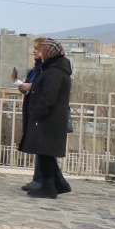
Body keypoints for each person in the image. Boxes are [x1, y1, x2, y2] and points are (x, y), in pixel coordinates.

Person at [21, 39, 73, 199]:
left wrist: (38, 112)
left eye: (42, 51)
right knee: (45, 154)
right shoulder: (52, 69)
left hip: (49, 119)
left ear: (49, 53)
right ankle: (58, 184)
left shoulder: (55, 72)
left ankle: (49, 187)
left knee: (45, 153)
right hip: (49, 119)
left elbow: (48, 96)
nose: (39, 54)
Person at [17, 37, 46, 190]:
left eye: (38, 48)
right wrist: (23, 86)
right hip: (32, 109)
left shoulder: (46, 69)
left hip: (42, 113)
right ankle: (38, 179)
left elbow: (45, 87)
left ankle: (43, 180)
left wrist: (30, 86)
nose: (34, 50)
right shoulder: (35, 69)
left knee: (44, 149)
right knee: (38, 148)